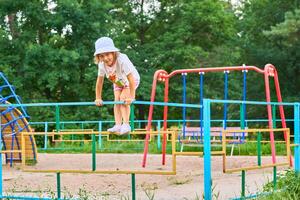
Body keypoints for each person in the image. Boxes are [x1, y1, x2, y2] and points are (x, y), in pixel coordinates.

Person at [94, 37, 140, 134]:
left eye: (107, 54)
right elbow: (99, 82)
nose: (105, 58)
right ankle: (118, 125)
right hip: (117, 81)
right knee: (116, 100)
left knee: (123, 98)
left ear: (113, 53)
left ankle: (126, 125)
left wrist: (132, 97)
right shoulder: (102, 65)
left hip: (130, 80)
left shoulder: (122, 59)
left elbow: (131, 79)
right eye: (102, 56)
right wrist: (98, 98)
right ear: (98, 57)